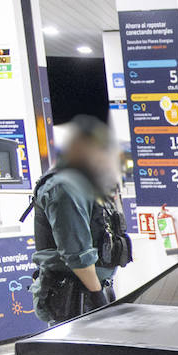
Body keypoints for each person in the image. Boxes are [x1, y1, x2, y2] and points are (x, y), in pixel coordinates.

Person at [30, 116, 130, 324]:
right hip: (75, 297)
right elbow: (77, 254)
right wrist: (97, 299)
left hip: (91, 290)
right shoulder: (66, 187)